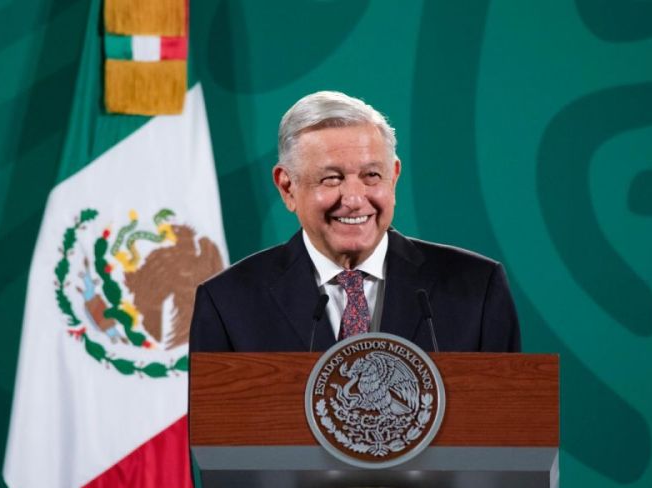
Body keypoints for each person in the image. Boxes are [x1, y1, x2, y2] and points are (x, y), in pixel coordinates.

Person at [189, 91, 520, 353]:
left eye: (371, 175)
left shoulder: (477, 288)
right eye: (331, 179)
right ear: (287, 187)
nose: (354, 198)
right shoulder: (227, 302)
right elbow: (215, 437)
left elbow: (509, 427)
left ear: (394, 177)